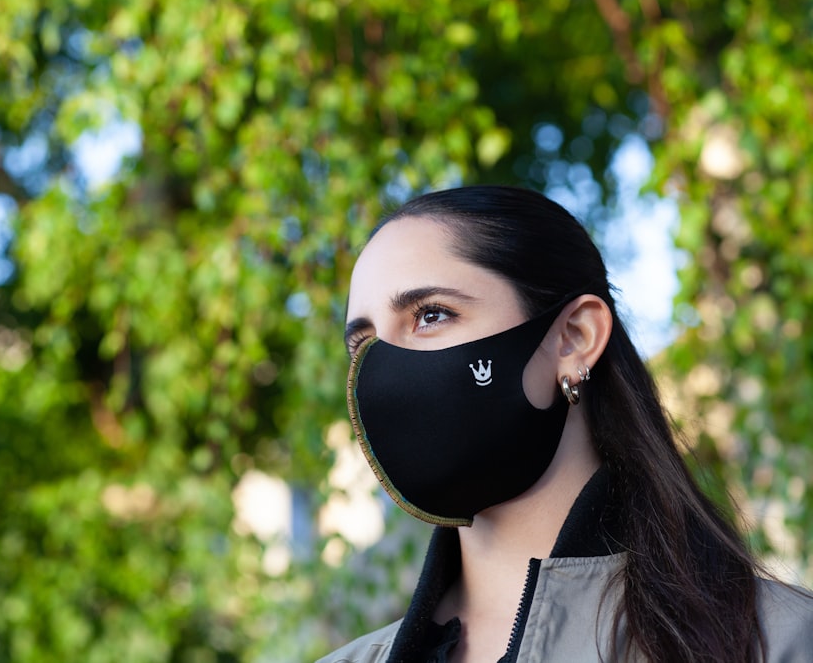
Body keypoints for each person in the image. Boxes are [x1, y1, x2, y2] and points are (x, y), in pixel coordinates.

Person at [318, 186, 813, 662]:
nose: (381, 374)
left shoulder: (774, 641)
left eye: (430, 314)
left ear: (575, 337)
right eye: (362, 345)